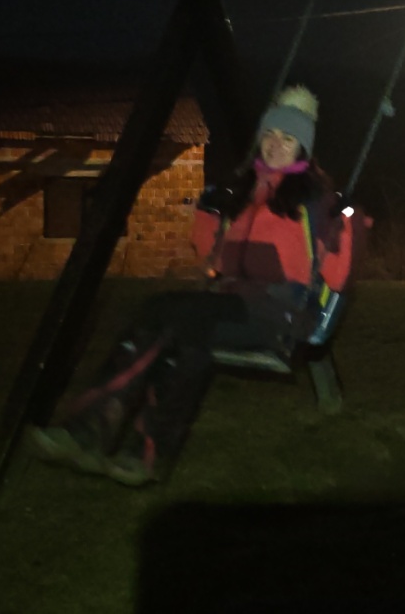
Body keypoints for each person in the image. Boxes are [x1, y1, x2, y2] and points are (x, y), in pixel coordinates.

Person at [27, 85, 355, 487]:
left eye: (287, 138)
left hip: (278, 315)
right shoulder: (244, 190)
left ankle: (88, 429)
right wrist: (209, 213)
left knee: (170, 314)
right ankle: (144, 455)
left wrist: (345, 220)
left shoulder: (315, 199)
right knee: (182, 336)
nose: (274, 145)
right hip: (229, 304)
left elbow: (338, 274)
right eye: (269, 134)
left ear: (302, 147)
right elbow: (211, 256)